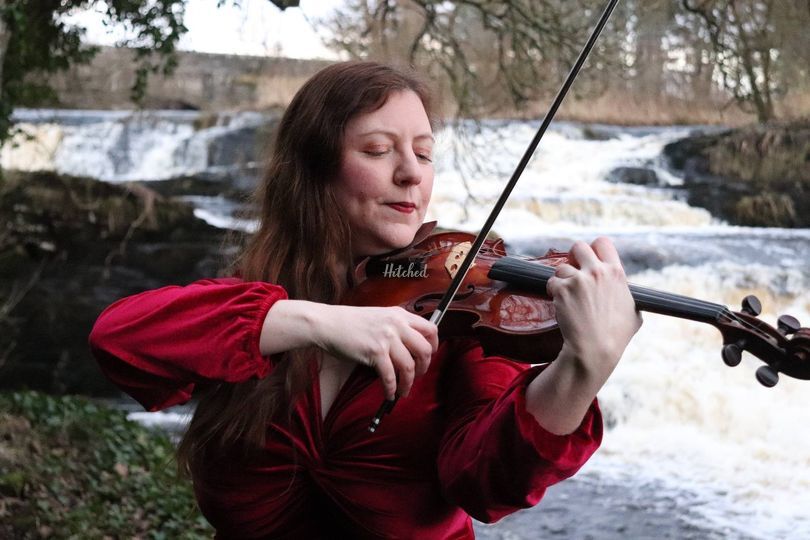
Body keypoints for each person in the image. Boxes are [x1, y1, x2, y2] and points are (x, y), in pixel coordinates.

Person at [89, 61, 642, 539]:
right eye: (379, 150)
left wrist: (580, 368)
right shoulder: (257, 297)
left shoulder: (458, 313)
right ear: (315, 168)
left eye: (424, 155)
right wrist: (316, 322)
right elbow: (117, 338)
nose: (410, 174)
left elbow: (488, 481)